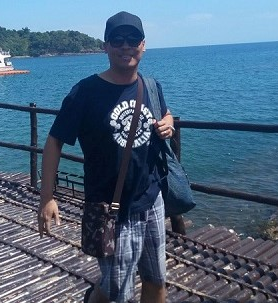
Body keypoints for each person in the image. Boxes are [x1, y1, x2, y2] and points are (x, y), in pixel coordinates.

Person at [37, 11, 175, 303]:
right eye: (117, 39)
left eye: (133, 39)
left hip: (151, 200)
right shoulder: (86, 92)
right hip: (111, 209)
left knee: (157, 280)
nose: (126, 46)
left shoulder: (151, 86)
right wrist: (47, 197)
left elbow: (165, 114)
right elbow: (54, 142)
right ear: (105, 46)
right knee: (117, 293)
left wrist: (169, 123)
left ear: (143, 44)